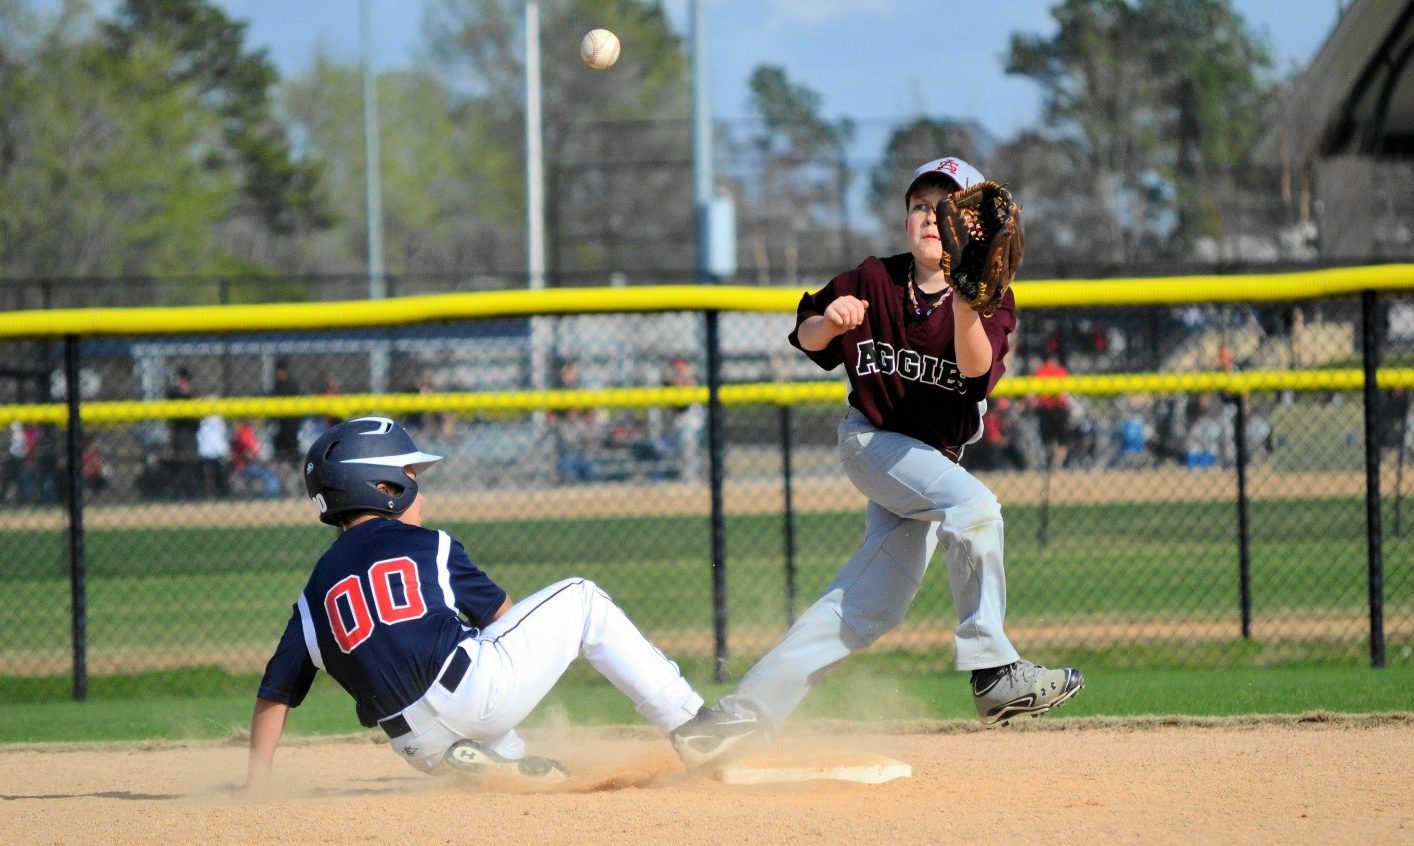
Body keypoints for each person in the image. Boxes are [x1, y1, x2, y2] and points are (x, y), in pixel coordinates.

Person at [701, 157, 1084, 757]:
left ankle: (739, 718)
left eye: (950, 208)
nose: (934, 218)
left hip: (934, 463)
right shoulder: (874, 279)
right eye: (921, 207)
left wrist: (964, 302)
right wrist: (829, 323)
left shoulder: (991, 300)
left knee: (864, 609)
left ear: (976, 228)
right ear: (906, 221)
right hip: (872, 443)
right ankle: (992, 671)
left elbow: (976, 374)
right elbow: (805, 334)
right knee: (977, 510)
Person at [242, 416, 748, 792]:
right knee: (582, 599)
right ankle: (691, 725)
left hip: (416, 744)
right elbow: (503, 618)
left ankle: (484, 765)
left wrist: (257, 784)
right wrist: (549, 657)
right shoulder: (429, 546)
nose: (421, 492)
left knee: (525, 767)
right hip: (473, 693)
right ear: (383, 486)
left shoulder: (312, 596)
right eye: (412, 478)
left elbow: (276, 692)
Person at [230, 419, 284, 498]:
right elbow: (247, 455)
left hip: (253, 464)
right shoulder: (244, 432)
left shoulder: (250, 431)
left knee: (273, 473)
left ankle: (268, 497)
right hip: (245, 466)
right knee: (271, 476)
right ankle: (267, 498)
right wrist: (263, 461)